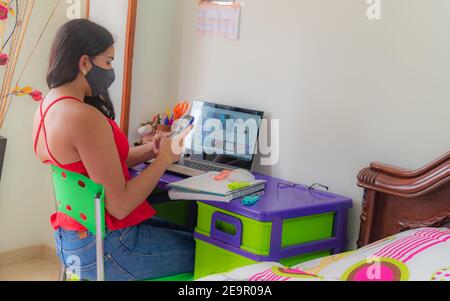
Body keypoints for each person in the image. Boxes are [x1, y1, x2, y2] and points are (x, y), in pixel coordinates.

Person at [32, 19, 194, 281]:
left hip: (72, 239)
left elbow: (100, 166)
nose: (110, 71)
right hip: (106, 247)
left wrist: (151, 151)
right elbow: (120, 206)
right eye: (107, 62)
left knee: (187, 233)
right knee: (208, 249)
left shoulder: (48, 106)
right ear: (84, 62)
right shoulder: (83, 117)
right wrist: (165, 159)